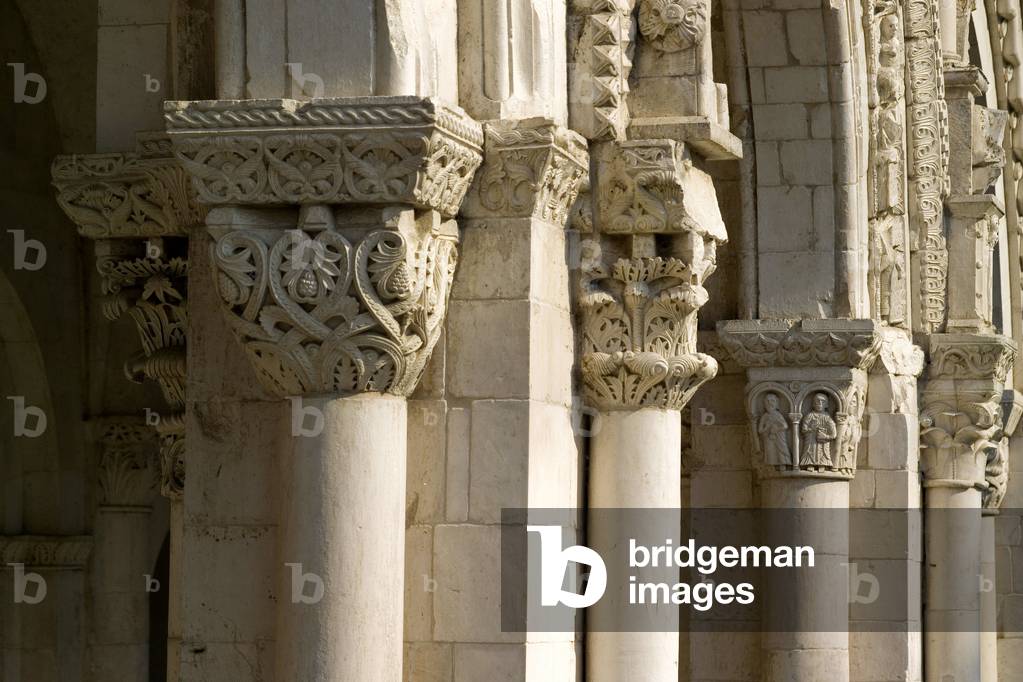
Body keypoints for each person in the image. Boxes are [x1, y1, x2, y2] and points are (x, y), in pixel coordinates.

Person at [800, 393, 837, 470]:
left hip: (823, 441)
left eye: (823, 401)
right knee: (810, 451)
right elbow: (803, 429)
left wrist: (826, 436)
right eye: (817, 401)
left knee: (823, 453)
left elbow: (834, 434)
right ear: (813, 404)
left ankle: (822, 465)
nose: (820, 403)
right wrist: (811, 429)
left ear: (826, 405)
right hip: (811, 441)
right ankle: (810, 464)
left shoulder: (827, 418)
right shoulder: (810, 416)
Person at [758, 393, 792, 468]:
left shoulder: (778, 415)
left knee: (781, 451)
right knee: (771, 453)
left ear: (776, 404)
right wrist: (767, 427)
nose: (770, 403)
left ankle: (783, 465)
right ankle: (772, 468)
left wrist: (777, 429)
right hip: (769, 438)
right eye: (767, 401)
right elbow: (760, 430)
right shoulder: (765, 416)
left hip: (778, 437)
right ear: (764, 404)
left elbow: (785, 426)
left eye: (772, 401)